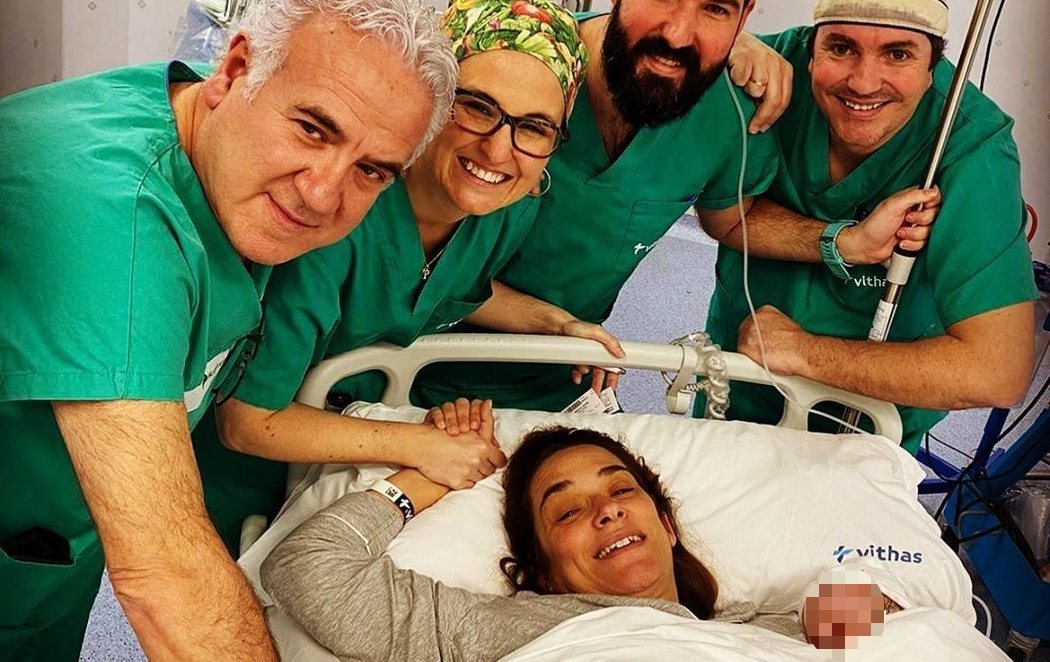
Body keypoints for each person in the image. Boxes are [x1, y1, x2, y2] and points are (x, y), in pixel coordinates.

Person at [0, 0, 457, 657]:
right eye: (312, 130)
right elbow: (167, 575)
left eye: (371, 170)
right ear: (235, 69)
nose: (322, 194)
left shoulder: (207, 144)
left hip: (44, 554)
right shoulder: (115, 225)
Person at [192, 0, 620, 555]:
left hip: (357, 442)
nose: (497, 149)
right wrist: (420, 445)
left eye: (534, 128)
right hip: (255, 464)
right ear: (432, 105)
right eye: (476, 107)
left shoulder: (506, 207)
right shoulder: (337, 216)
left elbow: (446, 287)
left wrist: (556, 324)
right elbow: (247, 420)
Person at [261, 413, 904, 659]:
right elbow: (308, 568)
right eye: (566, 512)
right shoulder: (498, 628)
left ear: (667, 526)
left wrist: (871, 610)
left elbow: (901, 627)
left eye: (621, 490)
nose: (606, 511)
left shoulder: (748, 631)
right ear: (540, 571)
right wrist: (427, 471)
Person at [411, 0, 791, 412]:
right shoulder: (527, 60)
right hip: (403, 364)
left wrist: (838, 243)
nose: (678, 34)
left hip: (565, 373)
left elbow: (732, 221)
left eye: (715, 8)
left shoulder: (729, 114)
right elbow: (432, 274)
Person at [698, 0, 1037, 452]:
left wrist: (804, 352)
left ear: (933, 64)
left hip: (872, 416)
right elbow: (725, 217)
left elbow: (995, 370)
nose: (863, 82)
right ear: (812, 48)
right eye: (841, 48)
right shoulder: (767, 74)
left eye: (898, 54)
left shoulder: (970, 145)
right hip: (739, 378)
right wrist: (720, 43)